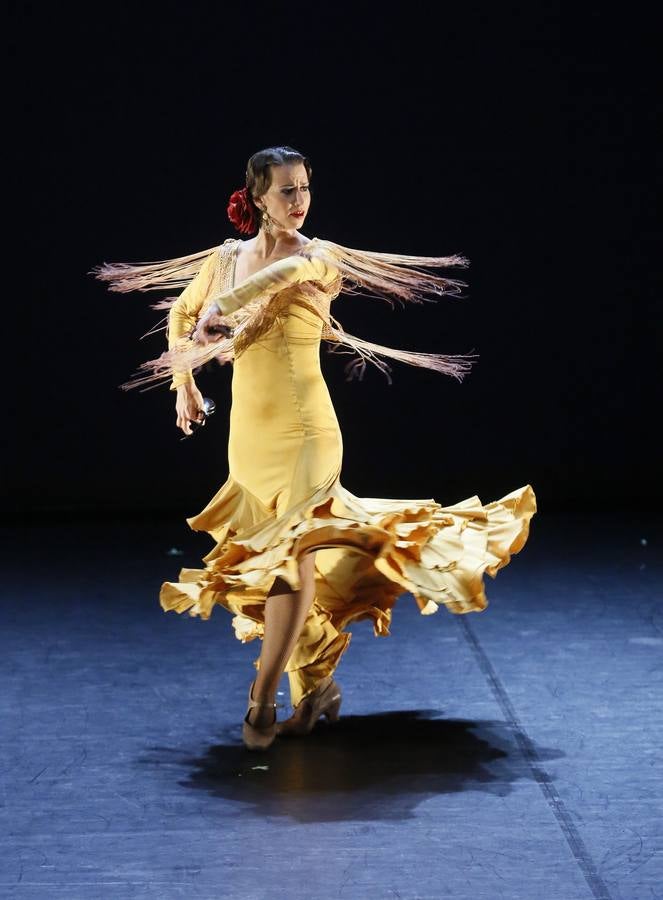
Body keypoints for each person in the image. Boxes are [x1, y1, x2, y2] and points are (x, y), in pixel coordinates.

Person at [91, 145, 537, 751]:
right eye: (286, 191)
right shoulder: (226, 260)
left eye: (304, 188)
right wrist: (185, 383)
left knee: (293, 552)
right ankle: (316, 688)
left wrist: (225, 309)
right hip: (248, 438)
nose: (299, 201)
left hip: (307, 432)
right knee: (279, 567)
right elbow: (180, 314)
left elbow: (285, 277)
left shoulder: (318, 259)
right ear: (256, 198)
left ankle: (259, 700)